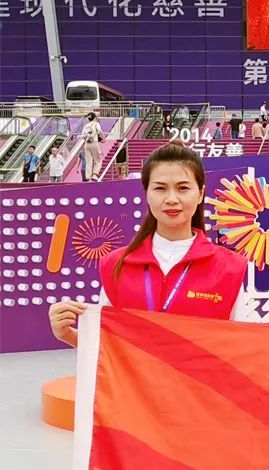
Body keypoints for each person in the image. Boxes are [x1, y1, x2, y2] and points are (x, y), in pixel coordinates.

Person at [48, 143, 250, 348]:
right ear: (147, 193)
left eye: (183, 188)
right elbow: (108, 349)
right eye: (160, 188)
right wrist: (68, 335)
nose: (171, 199)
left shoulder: (229, 268)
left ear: (200, 194)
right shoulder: (117, 265)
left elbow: (245, 348)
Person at [81, 113, 105, 181]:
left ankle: (88, 177)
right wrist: (103, 138)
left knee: (88, 161)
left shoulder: (85, 126)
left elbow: (82, 136)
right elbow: (100, 131)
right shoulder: (96, 124)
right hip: (94, 143)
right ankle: (95, 174)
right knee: (98, 160)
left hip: (86, 144)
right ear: (95, 118)